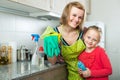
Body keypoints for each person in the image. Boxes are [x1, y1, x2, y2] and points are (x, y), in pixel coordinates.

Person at [41, 1, 86, 80]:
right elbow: (52, 61)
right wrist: (51, 47)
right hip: (70, 74)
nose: (76, 19)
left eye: (80, 17)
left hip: (87, 72)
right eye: (74, 15)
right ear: (66, 14)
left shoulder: (83, 33)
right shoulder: (54, 34)